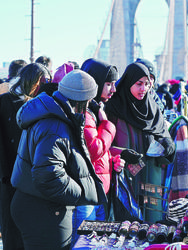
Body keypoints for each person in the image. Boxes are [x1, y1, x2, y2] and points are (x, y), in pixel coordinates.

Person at [10, 70, 107, 249]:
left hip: (35, 203)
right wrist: (80, 191)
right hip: (43, 209)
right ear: (83, 100)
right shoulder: (56, 125)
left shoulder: (52, 114)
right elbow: (47, 175)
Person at [105, 62, 176, 223]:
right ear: (129, 82)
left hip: (150, 176)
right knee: (125, 225)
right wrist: (120, 153)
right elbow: (103, 144)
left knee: (152, 224)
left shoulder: (152, 107)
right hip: (123, 175)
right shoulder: (113, 107)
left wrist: (167, 143)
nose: (143, 89)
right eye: (138, 84)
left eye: (146, 84)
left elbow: (161, 132)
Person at [69, 58, 125, 247]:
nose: (113, 89)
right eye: (109, 84)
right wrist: (107, 124)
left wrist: (112, 161)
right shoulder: (85, 112)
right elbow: (93, 149)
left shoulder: (94, 109)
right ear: (95, 82)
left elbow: (98, 151)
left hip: (97, 190)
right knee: (83, 244)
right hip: (87, 193)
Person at [0, 62, 51, 250]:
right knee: (12, 232)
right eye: (42, 81)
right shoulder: (5, 101)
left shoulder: (40, 105)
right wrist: (5, 176)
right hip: (10, 179)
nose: (43, 85)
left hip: (31, 179)